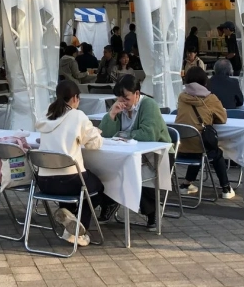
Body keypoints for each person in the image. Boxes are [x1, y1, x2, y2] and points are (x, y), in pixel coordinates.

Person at [34, 80, 110, 246]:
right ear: (75, 98)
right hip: (70, 181)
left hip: (44, 182)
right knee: (97, 189)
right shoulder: (78, 116)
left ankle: (70, 217)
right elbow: (94, 143)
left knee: (78, 184)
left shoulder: (47, 116)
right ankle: (77, 231)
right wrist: (96, 132)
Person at [99, 75, 169, 229]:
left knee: (141, 170)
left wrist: (122, 135)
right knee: (103, 166)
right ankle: (109, 202)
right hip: (127, 153)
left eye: (126, 97)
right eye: (119, 98)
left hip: (155, 153)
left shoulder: (148, 105)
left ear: (137, 94)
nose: (122, 102)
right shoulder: (120, 108)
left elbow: (149, 134)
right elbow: (104, 134)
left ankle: (152, 213)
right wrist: (112, 114)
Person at [176, 66, 236, 200]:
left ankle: (186, 185)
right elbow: (222, 118)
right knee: (213, 150)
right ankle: (226, 188)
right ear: (204, 81)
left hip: (180, 147)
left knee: (198, 143)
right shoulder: (211, 98)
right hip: (199, 147)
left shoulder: (181, 97)